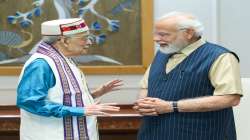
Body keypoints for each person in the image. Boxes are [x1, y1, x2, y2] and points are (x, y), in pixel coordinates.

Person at [133, 11, 243, 140]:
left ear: (189, 33)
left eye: (163, 34)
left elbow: (230, 98)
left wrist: (170, 106)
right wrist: (143, 104)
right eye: (156, 33)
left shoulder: (220, 57)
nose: (156, 39)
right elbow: (146, 86)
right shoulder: (162, 53)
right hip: (152, 134)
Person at [16, 18, 123, 140]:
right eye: (84, 38)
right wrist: (80, 111)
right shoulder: (40, 64)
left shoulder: (66, 60)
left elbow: (61, 98)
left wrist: (94, 94)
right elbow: (29, 102)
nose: (89, 42)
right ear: (64, 40)